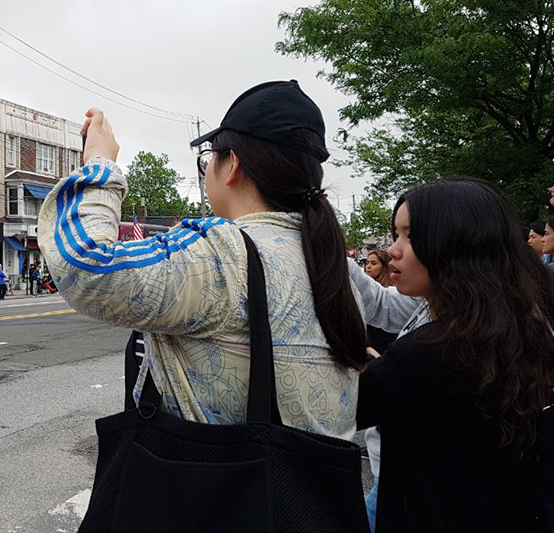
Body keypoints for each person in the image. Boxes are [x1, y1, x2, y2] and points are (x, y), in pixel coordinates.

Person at [38, 81, 368, 437]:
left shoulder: (223, 254)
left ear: (232, 166)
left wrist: (99, 165)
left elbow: (87, 268)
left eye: (210, 158)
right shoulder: (331, 267)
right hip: (315, 489)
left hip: (228, 489)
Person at [356, 178, 554, 532]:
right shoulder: (521, 322)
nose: (394, 250)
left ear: (457, 243)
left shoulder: (430, 350)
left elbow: (337, 408)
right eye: (395, 235)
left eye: (410, 236)